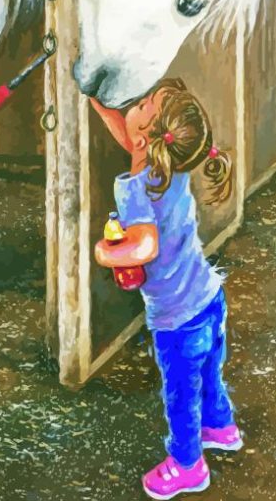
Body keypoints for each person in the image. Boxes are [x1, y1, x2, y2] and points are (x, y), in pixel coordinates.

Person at [90, 78, 243, 500]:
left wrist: (105, 252)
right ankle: (222, 426)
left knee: (180, 391)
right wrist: (99, 105)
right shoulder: (168, 166)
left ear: (147, 137)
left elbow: (144, 245)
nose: (135, 103)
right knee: (211, 373)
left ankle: (188, 465)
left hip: (177, 318)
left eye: (141, 105)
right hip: (209, 298)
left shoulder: (135, 187)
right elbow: (131, 137)